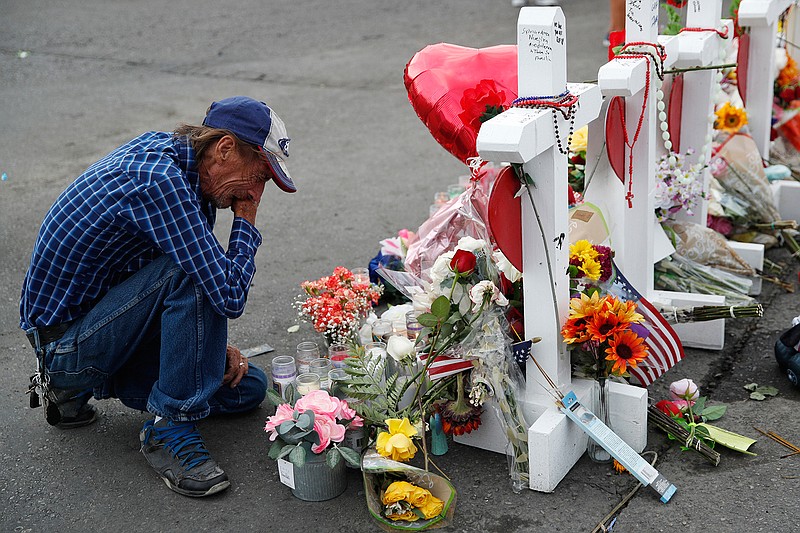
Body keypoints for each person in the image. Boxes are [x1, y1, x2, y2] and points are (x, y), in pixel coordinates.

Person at [20, 96, 296, 497]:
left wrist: (206, 348)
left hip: (103, 321)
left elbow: (192, 290)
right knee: (190, 275)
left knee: (248, 386)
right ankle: (169, 425)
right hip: (65, 346)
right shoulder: (160, 181)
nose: (255, 192)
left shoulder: (191, 174)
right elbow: (227, 294)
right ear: (224, 148)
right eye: (260, 176)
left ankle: (76, 392)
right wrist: (246, 220)